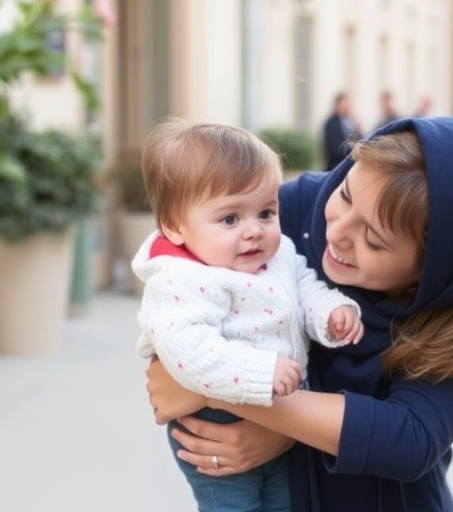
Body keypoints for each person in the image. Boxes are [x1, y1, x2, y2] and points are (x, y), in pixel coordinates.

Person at [145, 116, 453, 512]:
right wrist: (193, 364)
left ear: (432, 272)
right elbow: (187, 268)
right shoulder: (290, 210)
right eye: (346, 194)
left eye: (372, 239)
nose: (337, 232)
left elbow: (409, 439)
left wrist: (217, 391)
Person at [133, 120, 365, 512]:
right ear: (174, 226)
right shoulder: (181, 280)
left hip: (282, 412)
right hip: (214, 423)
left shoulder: (279, 253)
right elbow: (189, 351)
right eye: (229, 219)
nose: (253, 231)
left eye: (266, 212)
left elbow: (304, 287)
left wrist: (330, 313)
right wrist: (261, 371)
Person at [322, 92, 362, 172]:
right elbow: (333, 147)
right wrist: (351, 150)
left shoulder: (352, 122)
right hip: (336, 166)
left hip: (350, 166)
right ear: (337, 105)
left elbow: (360, 138)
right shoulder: (331, 123)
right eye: (344, 105)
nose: (347, 107)